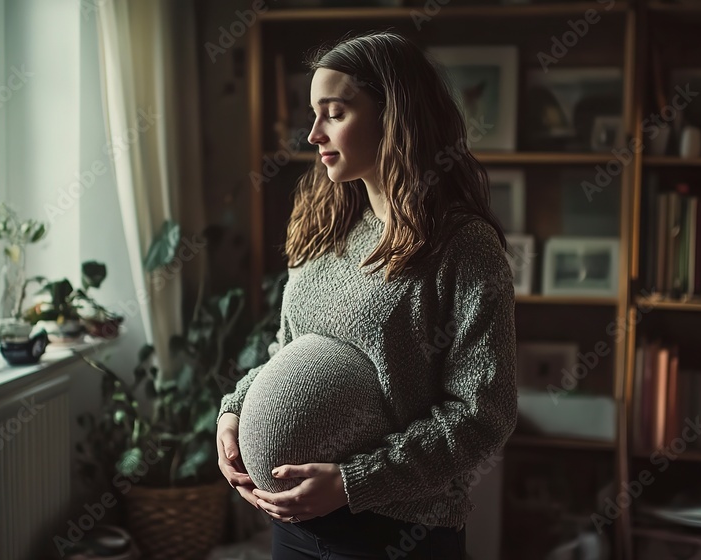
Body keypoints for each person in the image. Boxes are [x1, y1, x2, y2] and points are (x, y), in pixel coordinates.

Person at [216, 31, 517, 560]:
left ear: (394, 117)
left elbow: (483, 413)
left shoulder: (462, 245)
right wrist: (236, 410)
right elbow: (286, 351)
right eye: (313, 113)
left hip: (394, 531)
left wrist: (354, 483)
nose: (312, 134)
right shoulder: (326, 225)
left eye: (333, 112)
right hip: (294, 527)